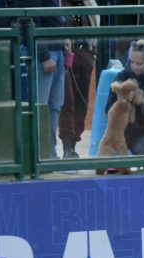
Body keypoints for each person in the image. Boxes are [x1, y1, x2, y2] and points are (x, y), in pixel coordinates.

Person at [0, 0, 66, 159]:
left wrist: (64, 40)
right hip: (43, 54)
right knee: (40, 106)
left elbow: (54, 17)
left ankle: (50, 153)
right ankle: (38, 154)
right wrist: (44, 56)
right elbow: (30, 23)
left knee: (55, 106)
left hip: (57, 50)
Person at [58, 0, 98, 159]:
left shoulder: (88, 3)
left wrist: (93, 54)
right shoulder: (59, 3)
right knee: (67, 101)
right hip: (64, 56)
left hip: (85, 56)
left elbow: (96, 26)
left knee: (82, 103)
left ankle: (73, 144)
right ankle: (67, 146)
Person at [104, 39, 144, 156]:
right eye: (132, 62)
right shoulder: (122, 76)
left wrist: (141, 102)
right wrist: (122, 102)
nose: (134, 67)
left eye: (139, 63)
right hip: (126, 129)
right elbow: (108, 108)